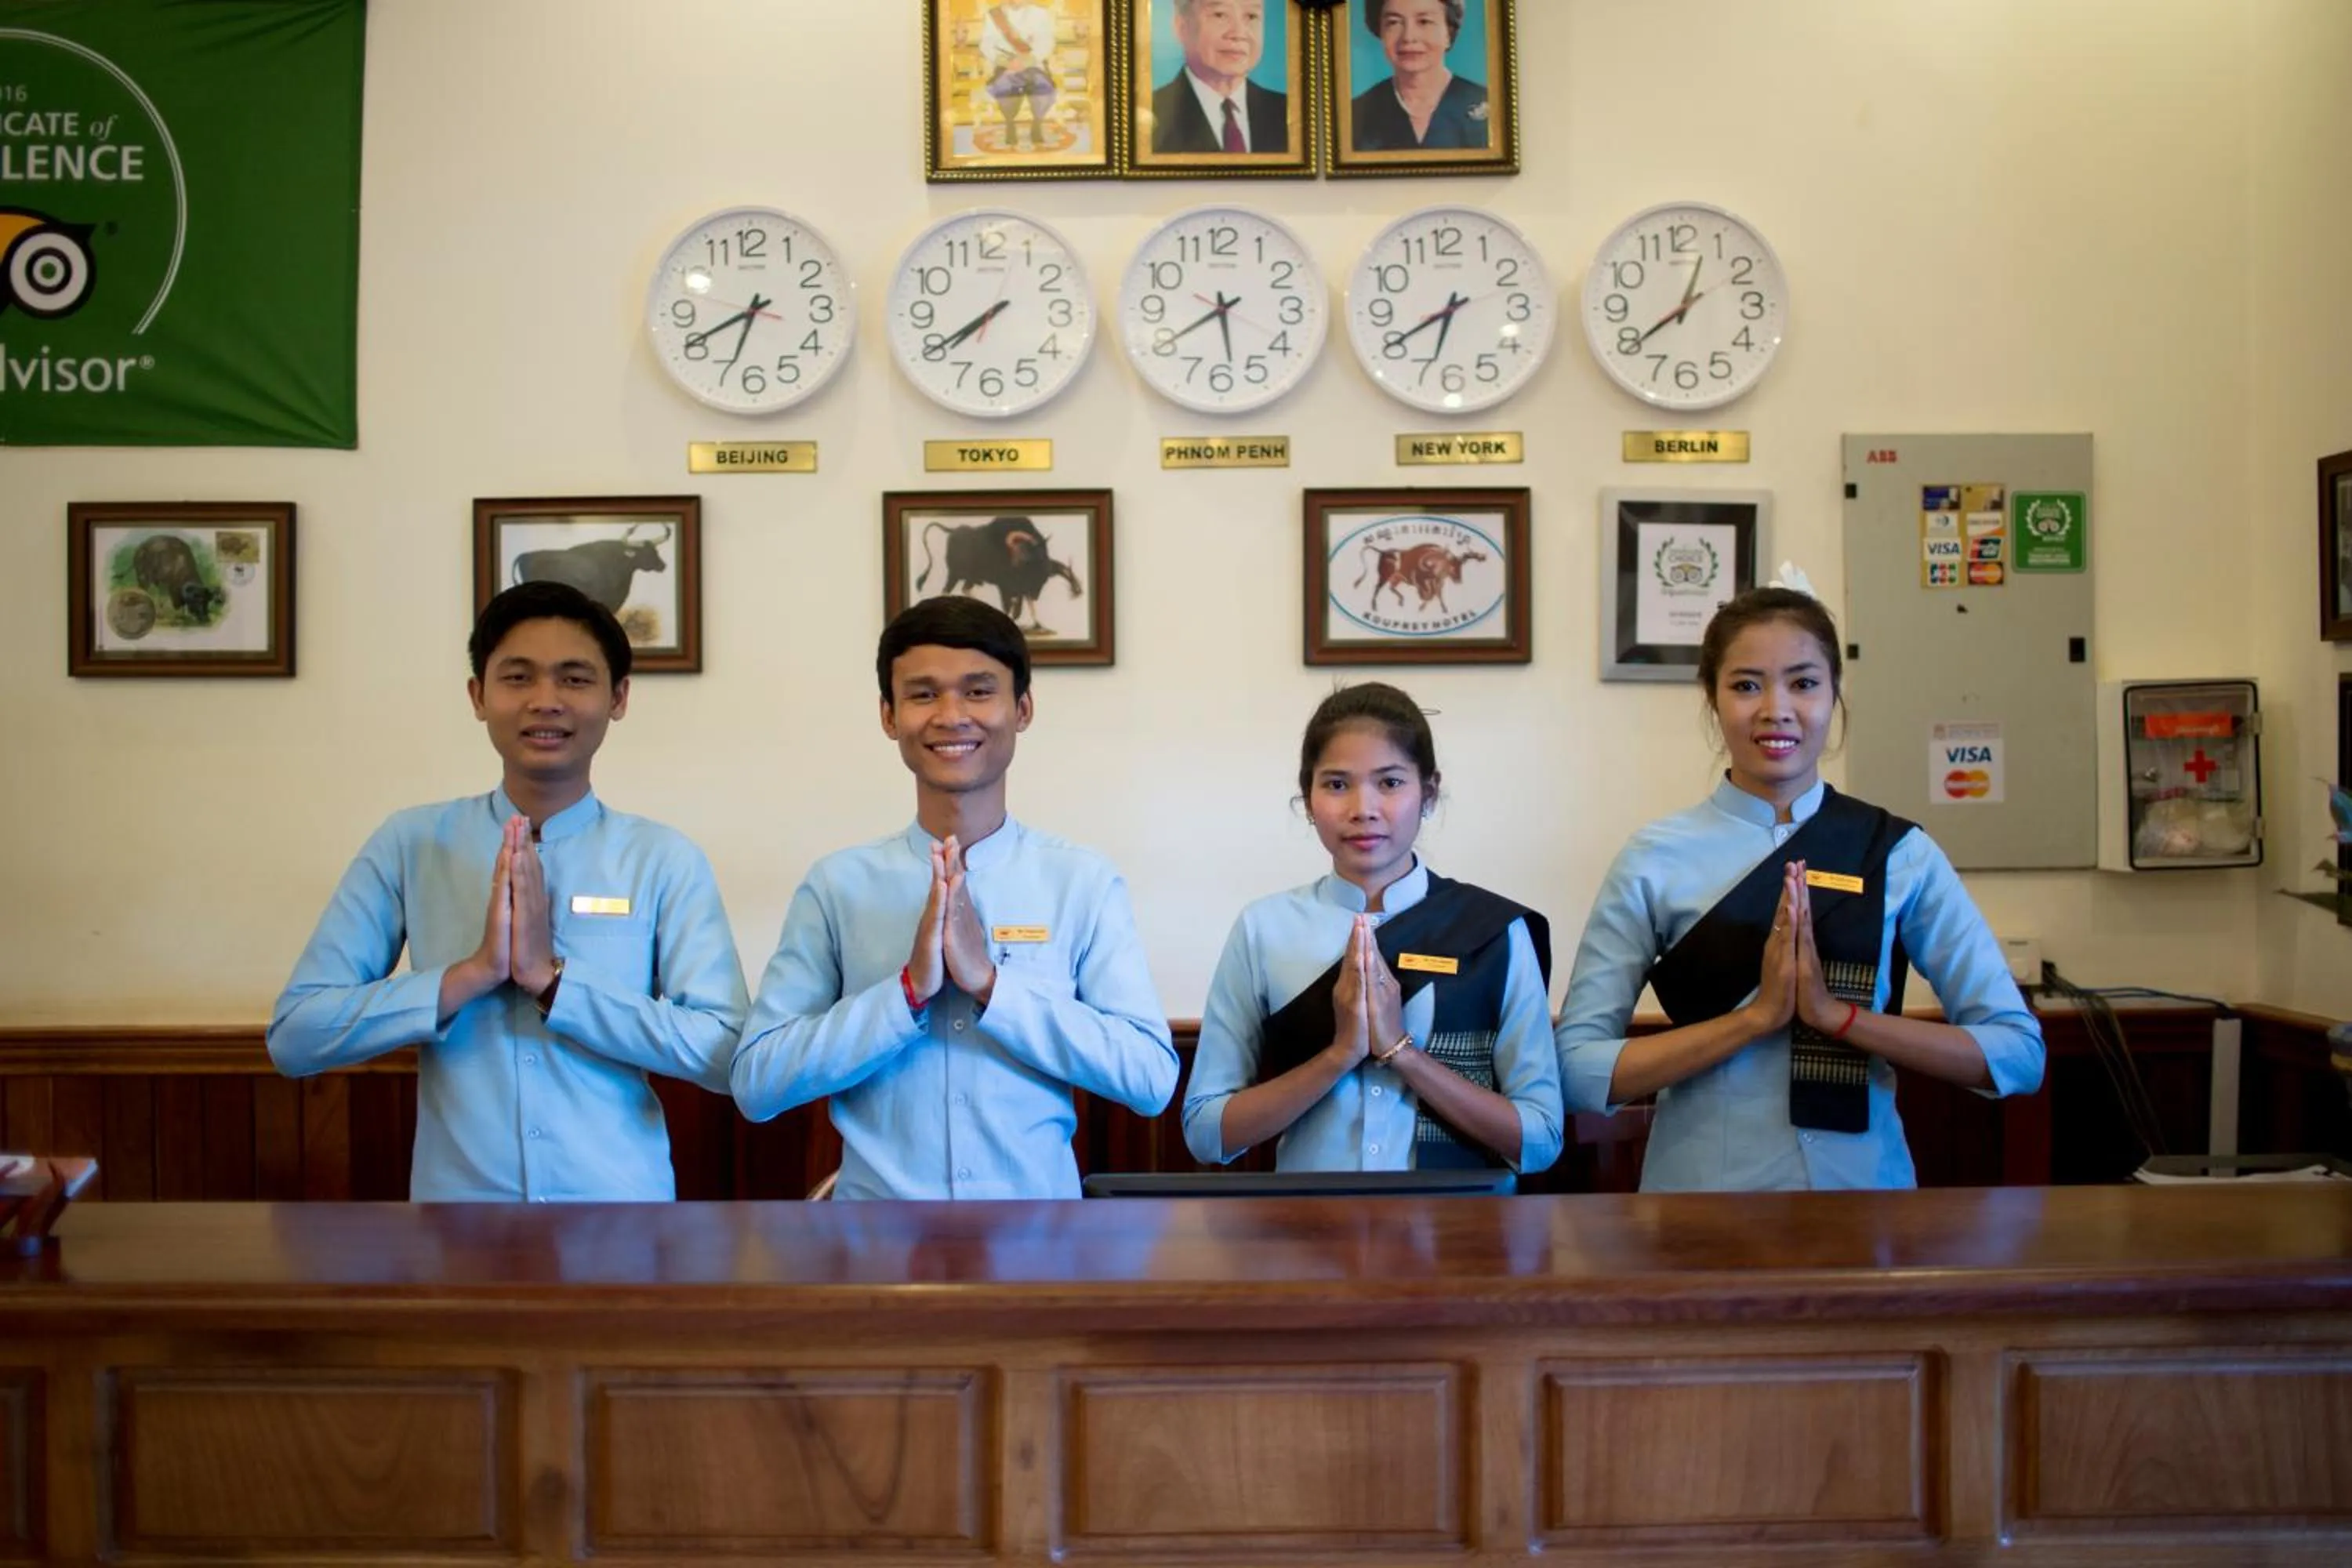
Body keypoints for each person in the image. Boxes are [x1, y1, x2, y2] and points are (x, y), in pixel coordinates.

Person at [1553, 582, 2045, 1190]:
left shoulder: (1896, 853)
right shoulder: (1655, 859)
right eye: (1746, 684)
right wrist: (1754, 1019)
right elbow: (1575, 1069)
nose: (1775, 709)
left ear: (1835, 694)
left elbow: (2019, 1057)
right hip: (1702, 1202)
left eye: (1804, 683)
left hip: (1865, 1199)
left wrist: (1837, 1018)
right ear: (1711, 698)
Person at [267, 582, 747, 1202]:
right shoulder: (411, 843)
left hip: (622, 1216)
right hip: (456, 1220)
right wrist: (467, 976)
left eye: (575, 679)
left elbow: (727, 1055)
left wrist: (556, 983)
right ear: (478, 695)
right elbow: (296, 1038)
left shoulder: (662, 858)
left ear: (618, 697)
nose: (545, 701)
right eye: (518, 678)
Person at [731, 597, 1177, 1200]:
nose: (951, 715)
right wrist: (906, 993)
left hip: (1040, 1247)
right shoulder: (838, 884)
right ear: (889, 716)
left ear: (1022, 709)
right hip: (875, 1250)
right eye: (922, 694)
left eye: (977, 691)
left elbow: (1149, 1079)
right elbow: (758, 1085)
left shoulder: (1081, 881)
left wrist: (992, 984)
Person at [1183, 684, 1563, 1175]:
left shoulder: (1493, 930)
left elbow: (1540, 1140)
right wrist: (1340, 1054)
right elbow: (1206, 1132)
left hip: (1458, 1233)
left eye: (1389, 783)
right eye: (1337, 784)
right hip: (1308, 1233)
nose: (1363, 808)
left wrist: (1402, 1053)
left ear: (1428, 792)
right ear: (1308, 797)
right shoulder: (1264, 929)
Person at [1351, 0, 1490, 153]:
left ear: (1448, 34)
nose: (1409, 37)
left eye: (1424, 22)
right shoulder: (1355, 114)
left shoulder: (1489, 105)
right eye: (1394, 23)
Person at [1151, 0, 1287, 154]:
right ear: (1182, 28)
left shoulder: (1288, 114)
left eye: (1251, 16)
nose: (1238, 34)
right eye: (1220, 15)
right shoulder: (1150, 116)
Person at [976, 2, 1058, 151]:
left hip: (1033, 65)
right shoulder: (995, 15)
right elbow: (986, 44)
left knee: (1042, 86)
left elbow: (1047, 42)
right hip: (1006, 66)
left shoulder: (1040, 14)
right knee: (1005, 85)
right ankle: (1010, 124)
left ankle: (1037, 124)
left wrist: (1027, 61)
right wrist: (1006, 62)